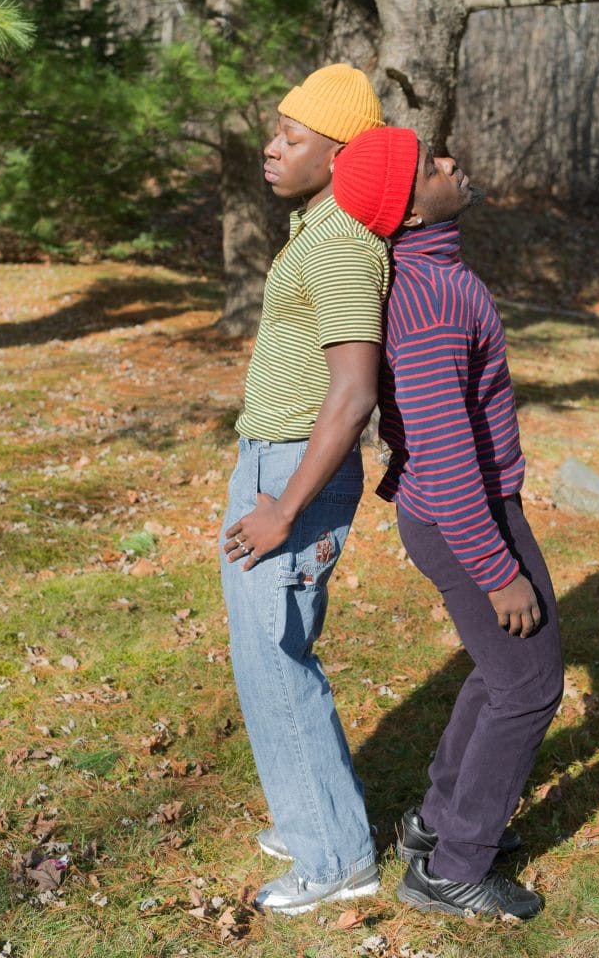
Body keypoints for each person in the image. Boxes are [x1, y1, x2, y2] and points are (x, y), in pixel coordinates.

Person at [332, 127, 564, 920]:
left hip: (464, 510)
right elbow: (446, 450)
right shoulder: (429, 299)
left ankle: (436, 826)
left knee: (503, 675)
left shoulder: (437, 274)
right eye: (431, 163)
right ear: (407, 207)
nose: (451, 162)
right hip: (466, 516)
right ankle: (453, 870)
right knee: (531, 687)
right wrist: (498, 569)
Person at [219, 64, 389, 915]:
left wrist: (283, 505)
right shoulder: (314, 227)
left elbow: (353, 392)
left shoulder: (345, 242)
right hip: (270, 463)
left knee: (276, 659)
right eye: (275, 131)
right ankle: (306, 807)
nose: (271, 146)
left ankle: (335, 856)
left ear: (340, 153)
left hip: (294, 475)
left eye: (292, 137)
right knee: (269, 650)